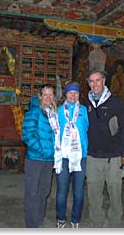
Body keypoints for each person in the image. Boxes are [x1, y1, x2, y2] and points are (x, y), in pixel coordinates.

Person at [85, 70, 124, 228]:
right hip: (92, 157)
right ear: (88, 83)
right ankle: (96, 222)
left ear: (104, 81)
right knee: (93, 194)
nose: (95, 84)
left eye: (98, 80)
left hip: (113, 157)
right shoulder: (85, 104)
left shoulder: (116, 103)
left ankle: (114, 224)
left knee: (114, 193)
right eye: (91, 81)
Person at [22, 84, 60, 228]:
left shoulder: (52, 113)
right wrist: (42, 150)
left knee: (45, 190)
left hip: (49, 159)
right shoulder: (34, 112)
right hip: (35, 159)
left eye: (51, 95)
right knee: (32, 191)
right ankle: (31, 225)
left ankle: (39, 219)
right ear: (40, 96)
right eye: (45, 94)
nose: (48, 97)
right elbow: (27, 135)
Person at [54, 82, 89, 228]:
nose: (73, 95)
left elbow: (86, 127)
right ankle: (60, 218)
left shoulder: (84, 110)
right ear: (66, 95)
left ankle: (75, 219)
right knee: (62, 190)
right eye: (70, 93)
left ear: (79, 95)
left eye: (76, 93)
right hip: (64, 156)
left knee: (79, 191)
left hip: (80, 156)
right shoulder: (59, 111)